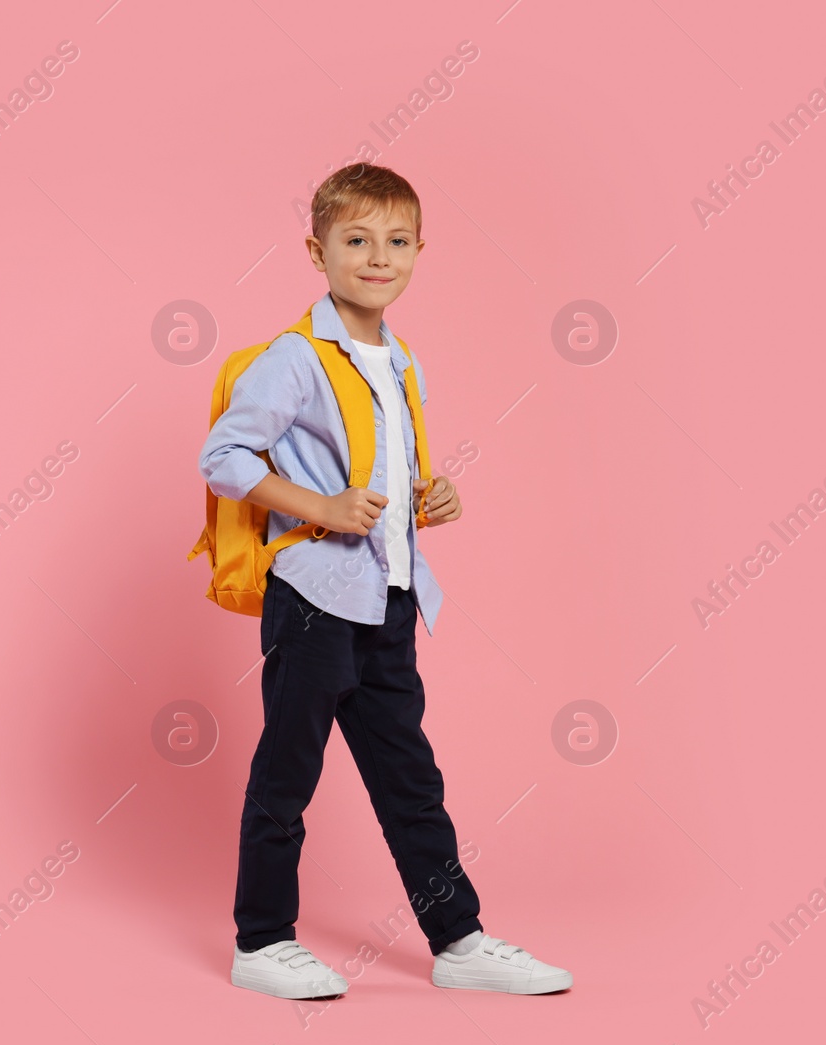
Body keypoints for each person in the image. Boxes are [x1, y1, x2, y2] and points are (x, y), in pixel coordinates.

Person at [197, 162, 572, 999]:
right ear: (317, 250)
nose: (378, 256)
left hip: (388, 598)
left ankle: (459, 941)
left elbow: (387, 474)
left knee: (411, 779)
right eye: (357, 239)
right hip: (314, 602)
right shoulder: (295, 359)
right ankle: (261, 941)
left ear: (418, 252)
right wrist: (320, 509)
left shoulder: (401, 362)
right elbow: (222, 456)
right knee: (287, 771)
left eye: (397, 241)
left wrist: (435, 496)